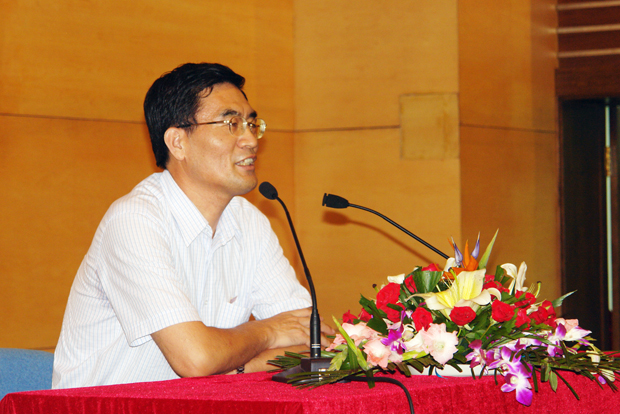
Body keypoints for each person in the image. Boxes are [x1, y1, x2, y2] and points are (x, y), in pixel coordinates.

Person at [52, 63, 333, 389]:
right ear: (178, 142)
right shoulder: (135, 220)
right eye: (231, 124)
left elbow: (313, 342)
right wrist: (268, 331)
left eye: (251, 123)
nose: (251, 140)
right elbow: (196, 359)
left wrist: (236, 367)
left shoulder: (249, 221)